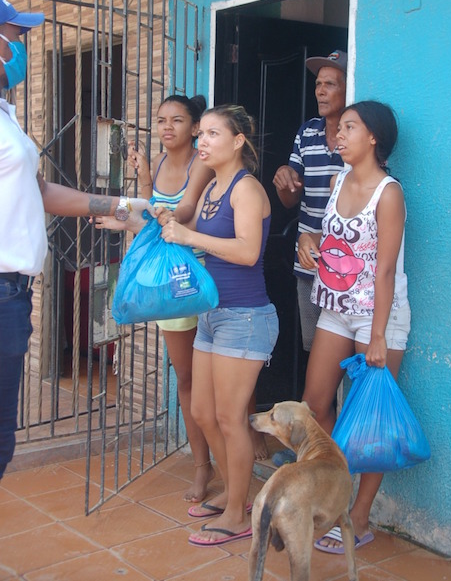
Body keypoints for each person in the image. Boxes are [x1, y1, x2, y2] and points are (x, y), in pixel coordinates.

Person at [0, 0, 152, 480]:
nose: (21, 44)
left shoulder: (5, 114)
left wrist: (121, 206)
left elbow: (37, 189)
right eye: (15, 34)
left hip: (13, 293)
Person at [159, 104, 279, 546]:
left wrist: (191, 238)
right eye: (201, 134)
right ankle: (235, 494)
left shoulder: (246, 189)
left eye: (211, 134)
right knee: (204, 413)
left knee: (231, 419)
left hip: (245, 317)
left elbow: (247, 252)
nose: (201, 141)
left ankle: (237, 514)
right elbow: (181, 220)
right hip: (213, 313)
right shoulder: (211, 184)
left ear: (238, 141)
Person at [298, 100, 411, 554]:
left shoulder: (389, 193)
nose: (338, 135)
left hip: (378, 316)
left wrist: (380, 335)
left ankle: (359, 519)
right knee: (315, 403)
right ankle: (331, 496)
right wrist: (309, 240)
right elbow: (334, 238)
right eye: (339, 128)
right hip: (336, 308)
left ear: (374, 138)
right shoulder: (338, 179)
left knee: (371, 428)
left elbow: (384, 270)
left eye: (349, 127)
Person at [98, 93, 218, 503]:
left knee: (223, 372)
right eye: (161, 120)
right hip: (172, 290)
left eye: (177, 121)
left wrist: (164, 216)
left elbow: (184, 209)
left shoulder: (202, 160)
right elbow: (149, 207)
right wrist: (136, 192)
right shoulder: (162, 161)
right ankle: (203, 465)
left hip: (205, 280)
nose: (167, 128)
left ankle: (239, 442)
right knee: (185, 377)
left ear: (195, 126)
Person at [271, 49, 346, 466]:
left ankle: (328, 461)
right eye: (318, 82)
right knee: (317, 358)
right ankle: (314, 456)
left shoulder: (358, 137)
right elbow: (289, 198)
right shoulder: (307, 133)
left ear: (348, 88)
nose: (320, 89)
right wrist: (284, 180)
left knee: (343, 375)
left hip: (349, 276)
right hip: (308, 267)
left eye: (330, 82)